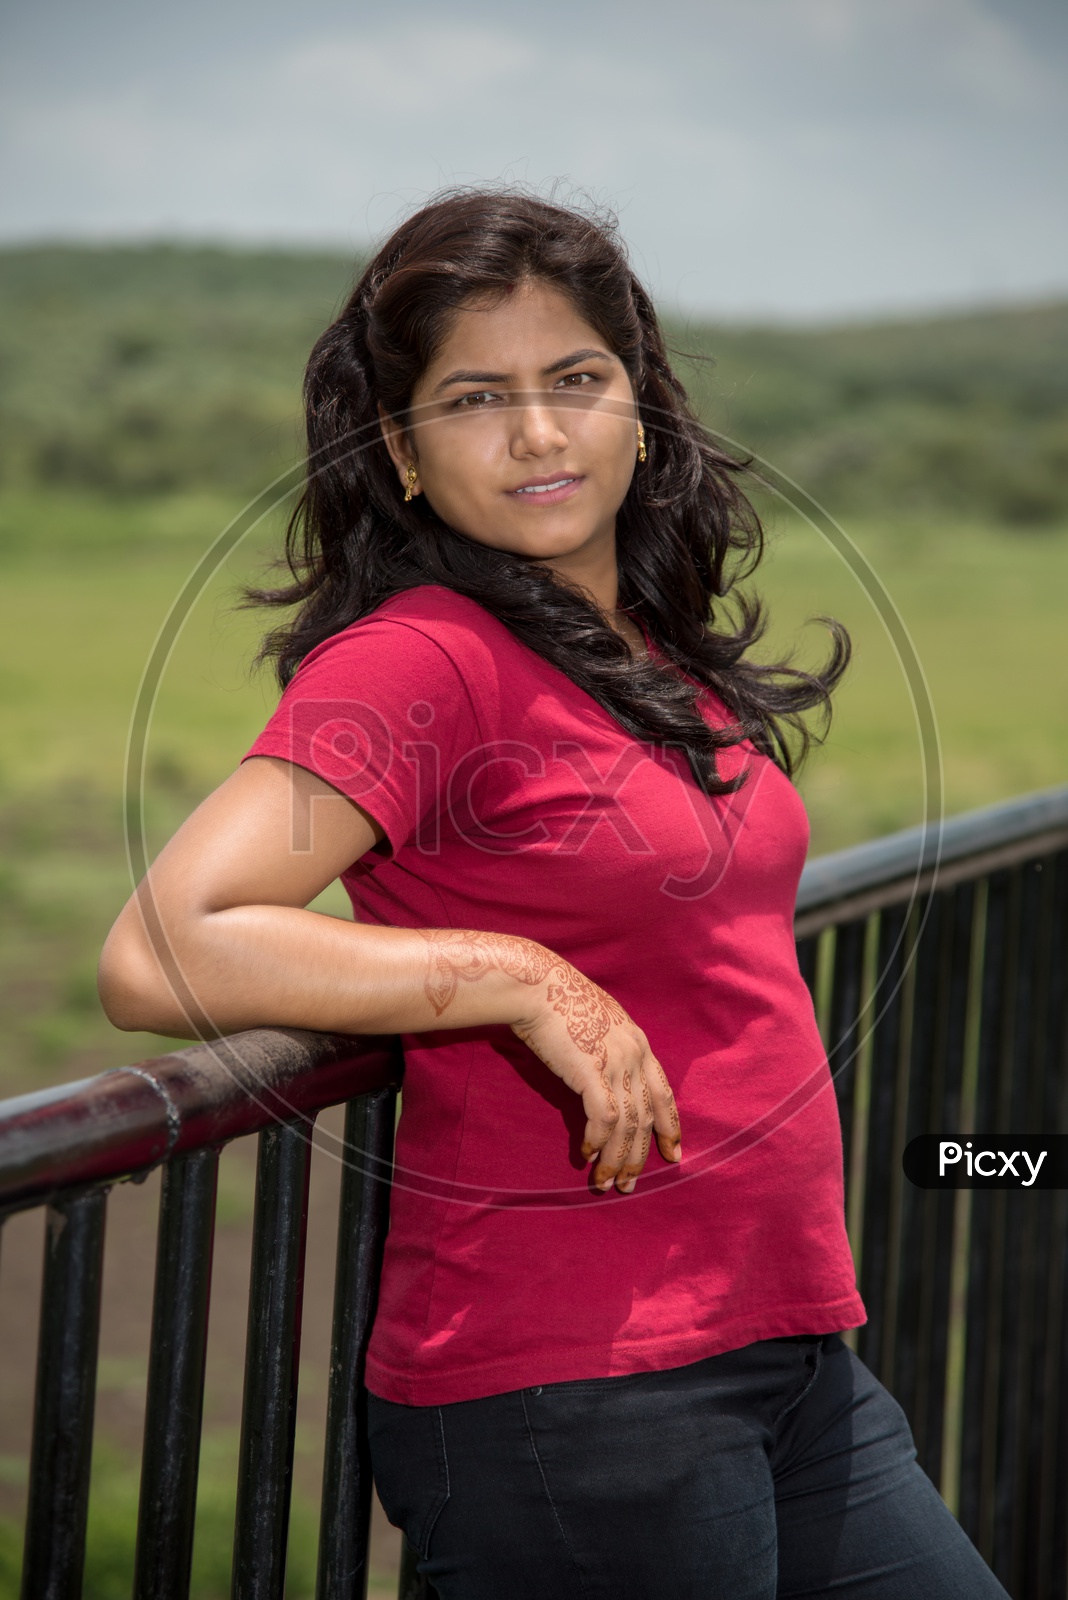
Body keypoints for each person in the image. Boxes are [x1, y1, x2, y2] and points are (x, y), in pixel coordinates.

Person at [98, 189, 1009, 1598]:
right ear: (399, 447)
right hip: (577, 1396)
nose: (538, 433)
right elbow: (162, 949)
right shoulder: (424, 660)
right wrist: (523, 978)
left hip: (786, 1351)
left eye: (577, 381)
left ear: (638, 408)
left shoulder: (644, 651)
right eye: (475, 397)